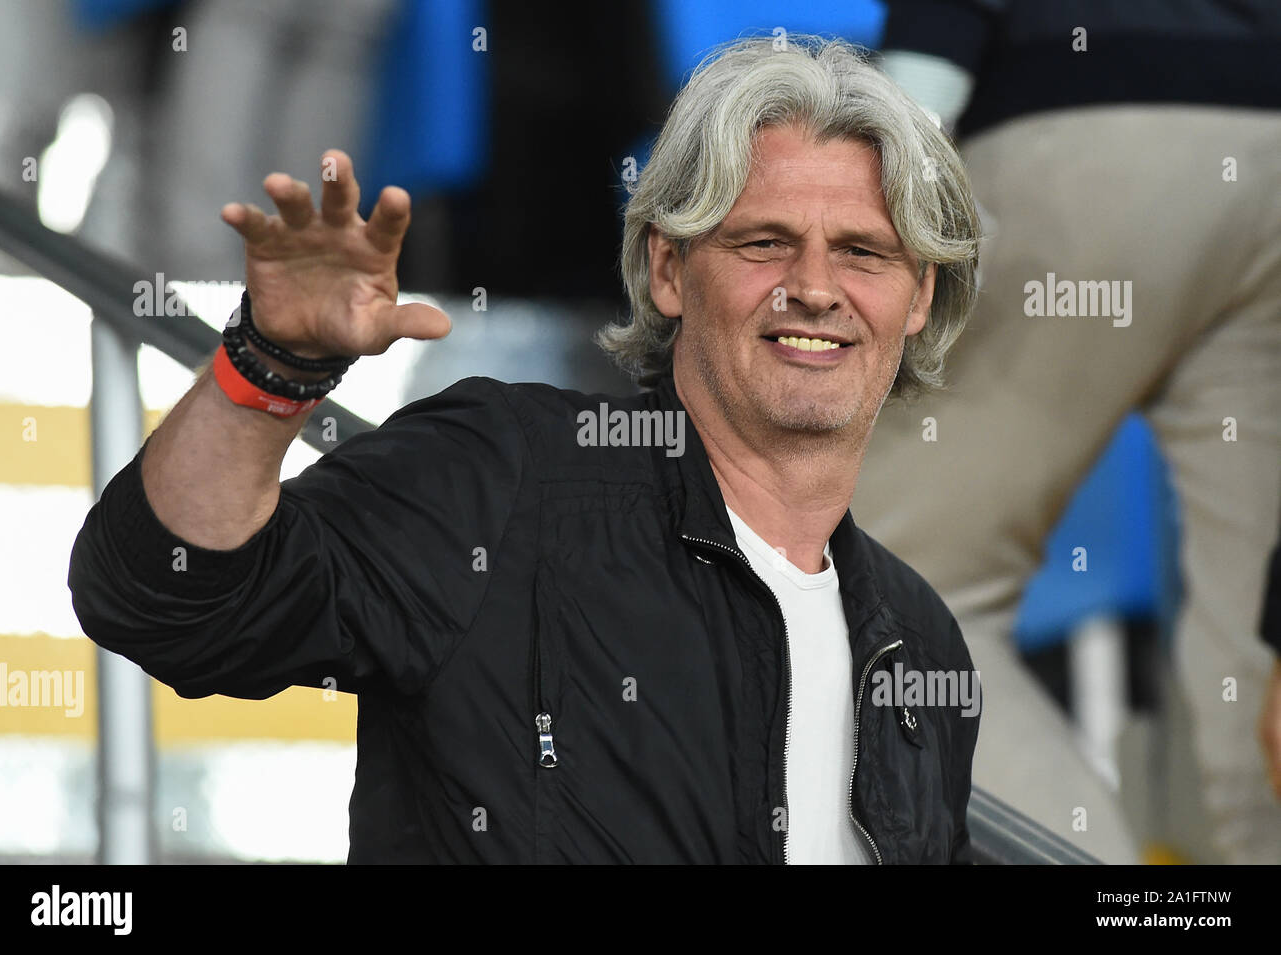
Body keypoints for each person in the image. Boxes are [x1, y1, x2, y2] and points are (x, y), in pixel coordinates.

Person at [67, 36, 983, 864]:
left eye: (863, 252)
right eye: (764, 242)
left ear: (917, 298)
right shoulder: (503, 475)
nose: (815, 288)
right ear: (667, 270)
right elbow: (167, 597)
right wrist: (271, 366)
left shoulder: (917, 636)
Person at [854, 0, 1281, 863]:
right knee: (1254, 642)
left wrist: (893, 166)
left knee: (896, 589)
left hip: (1080, 121)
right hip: (1268, 137)